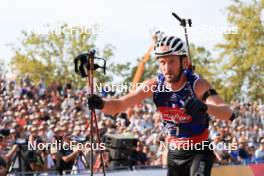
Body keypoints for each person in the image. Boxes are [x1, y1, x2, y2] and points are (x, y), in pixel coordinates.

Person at [87, 35, 235, 176]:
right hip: (174, 153)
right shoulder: (154, 85)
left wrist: (205, 107)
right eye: (162, 62)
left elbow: (228, 113)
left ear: (184, 62)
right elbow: (118, 106)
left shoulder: (197, 84)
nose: (166, 68)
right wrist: (100, 103)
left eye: (171, 61)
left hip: (199, 151)